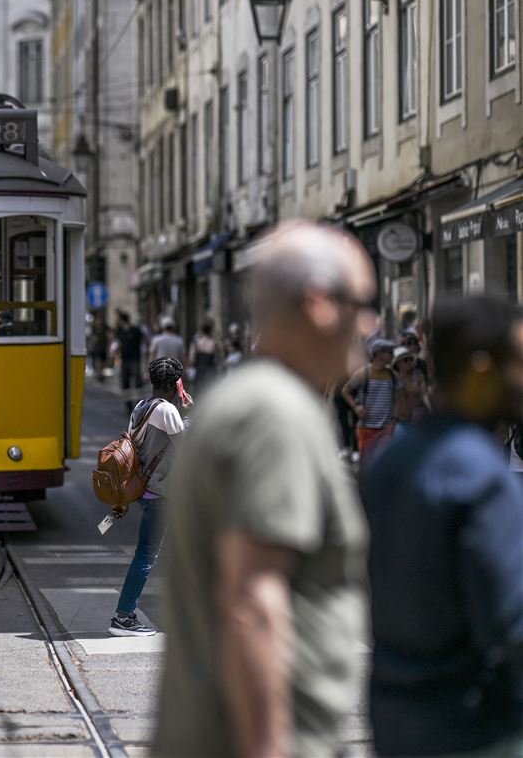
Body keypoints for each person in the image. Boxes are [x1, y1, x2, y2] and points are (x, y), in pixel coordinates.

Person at [153, 221, 374, 757]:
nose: (370, 323)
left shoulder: (244, 400)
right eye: (362, 303)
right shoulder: (276, 417)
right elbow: (253, 601)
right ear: (319, 305)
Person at [362, 296, 523, 758]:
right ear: (480, 370)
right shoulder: (479, 475)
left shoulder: (390, 461)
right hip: (475, 727)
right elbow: (510, 623)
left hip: (399, 716)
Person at [107, 358, 187, 637]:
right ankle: (123, 616)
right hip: (160, 493)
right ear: (177, 383)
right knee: (146, 555)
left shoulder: (143, 406)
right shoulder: (167, 411)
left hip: (146, 489)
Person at [341, 338, 400, 464]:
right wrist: (356, 407)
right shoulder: (363, 374)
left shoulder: (392, 375)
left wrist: (395, 417)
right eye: (388, 352)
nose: (391, 355)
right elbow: (346, 391)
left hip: (386, 427)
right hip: (367, 427)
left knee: (384, 461)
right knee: (367, 461)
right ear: (377, 354)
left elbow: (397, 397)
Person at [391, 345, 430, 434]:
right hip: (402, 421)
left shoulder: (418, 375)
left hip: (420, 419)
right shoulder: (394, 380)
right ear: (397, 364)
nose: (409, 362)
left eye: (410, 359)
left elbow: (423, 394)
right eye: (405, 360)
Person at [115, 311, 146, 391]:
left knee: (137, 381)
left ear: (122, 320)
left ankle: (138, 398)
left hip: (135, 358)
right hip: (125, 358)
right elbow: (119, 343)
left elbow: (143, 340)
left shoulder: (135, 330)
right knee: (125, 382)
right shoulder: (120, 331)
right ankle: (128, 401)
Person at [187, 318, 220, 391]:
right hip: (210, 369)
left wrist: (190, 367)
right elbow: (217, 358)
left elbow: (192, 358)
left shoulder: (196, 341)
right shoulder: (213, 342)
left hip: (199, 369)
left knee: (199, 390)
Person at [88, 312, 110, 381]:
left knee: (103, 361)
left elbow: (109, 335)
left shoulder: (105, 327)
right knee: (97, 361)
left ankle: (101, 373)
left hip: (103, 347)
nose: (99, 321)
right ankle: (99, 374)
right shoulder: (94, 328)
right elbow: (91, 337)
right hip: (96, 347)